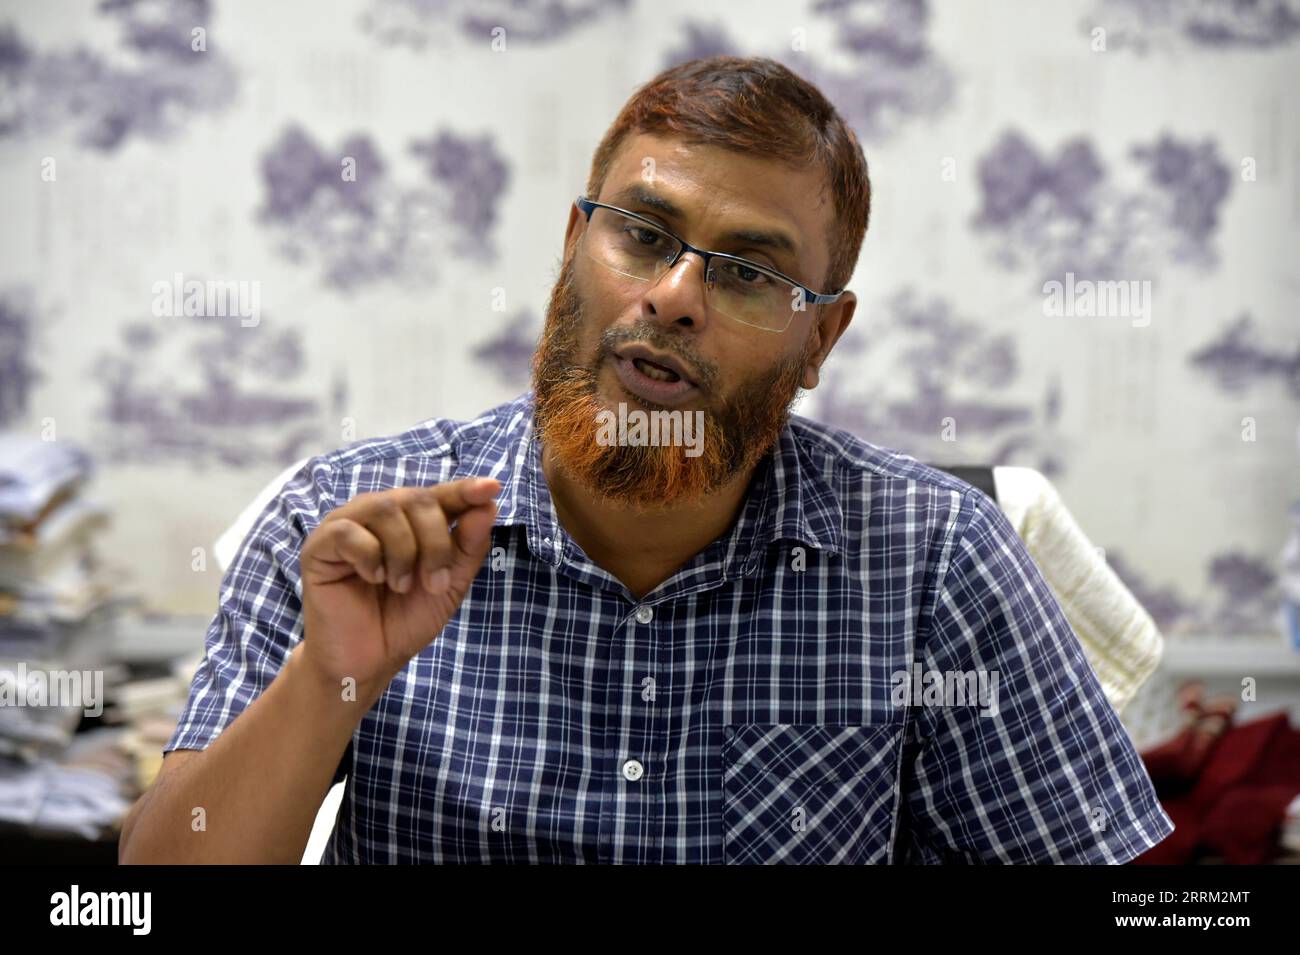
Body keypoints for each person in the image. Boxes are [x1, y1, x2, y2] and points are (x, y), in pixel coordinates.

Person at [119, 55, 1173, 864]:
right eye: (642, 233)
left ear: (820, 339)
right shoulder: (347, 515)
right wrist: (330, 678)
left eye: (749, 274)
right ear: (575, 243)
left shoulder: (934, 555)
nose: (672, 295)